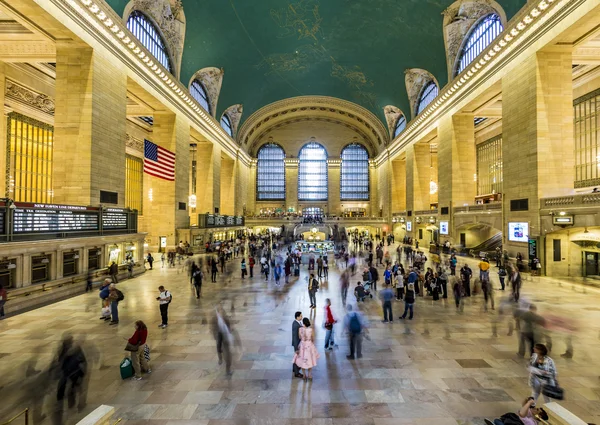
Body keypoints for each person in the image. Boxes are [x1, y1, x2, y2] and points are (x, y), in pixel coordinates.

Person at [53, 334, 88, 425]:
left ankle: (76, 404)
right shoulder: (65, 350)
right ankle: (66, 405)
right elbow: (59, 361)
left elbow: (83, 360)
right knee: (63, 388)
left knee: (73, 389)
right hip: (68, 373)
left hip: (74, 373)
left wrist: (82, 371)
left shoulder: (75, 349)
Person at [212, 305, 235, 375]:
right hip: (219, 337)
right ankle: (220, 357)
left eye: (222, 310)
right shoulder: (214, 319)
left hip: (225, 338)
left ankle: (228, 370)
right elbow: (213, 329)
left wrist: (230, 330)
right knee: (219, 348)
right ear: (218, 312)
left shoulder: (226, 318)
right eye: (220, 310)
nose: (221, 312)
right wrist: (216, 336)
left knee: (228, 356)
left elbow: (230, 326)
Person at [292, 312, 304, 378]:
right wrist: (296, 348)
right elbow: (295, 337)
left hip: (297, 343)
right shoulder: (296, 325)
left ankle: (294, 369)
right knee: (297, 358)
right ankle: (297, 373)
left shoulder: (296, 323)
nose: (301, 317)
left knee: (296, 357)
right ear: (297, 317)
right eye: (301, 316)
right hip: (297, 344)